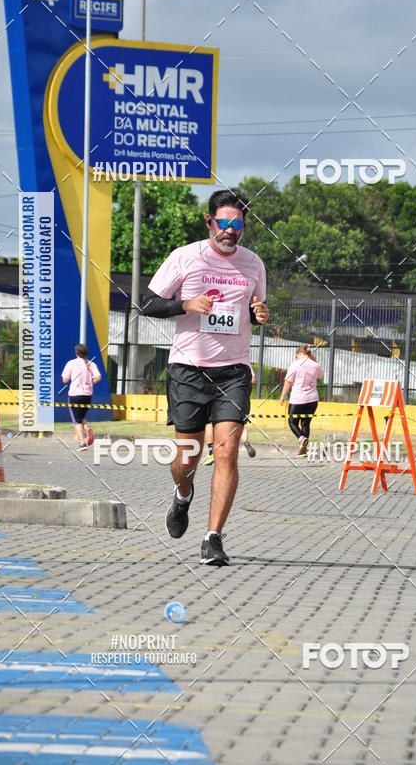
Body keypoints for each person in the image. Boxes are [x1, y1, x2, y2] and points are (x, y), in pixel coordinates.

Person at [145, 188, 269, 566]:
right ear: (209, 221)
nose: (230, 230)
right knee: (188, 457)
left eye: (237, 224)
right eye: (224, 223)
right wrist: (185, 304)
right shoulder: (184, 257)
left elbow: (253, 309)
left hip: (233, 371)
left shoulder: (253, 264)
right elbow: (147, 302)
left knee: (227, 450)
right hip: (188, 369)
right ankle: (183, 496)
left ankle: (213, 538)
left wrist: (262, 315)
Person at [203, 369, 257, 465]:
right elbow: (253, 380)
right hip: (238, 392)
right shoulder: (244, 362)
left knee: (209, 423)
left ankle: (211, 452)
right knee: (240, 422)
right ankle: (245, 441)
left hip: (217, 393)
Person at [280, 345, 324, 457]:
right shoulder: (315, 365)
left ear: (299, 354)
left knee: (292, 421)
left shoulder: (295, 364)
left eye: (297, 356)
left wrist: (283, 395)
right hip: (312, 399)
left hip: (297, 398)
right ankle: (304, 450)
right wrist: (313, 362)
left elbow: (288, 381)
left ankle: (301, 437)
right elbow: (320, 375)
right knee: (305, 423)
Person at [61, 343, 101, 451]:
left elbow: (65, 379)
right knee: (81, 415)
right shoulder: (91, 364)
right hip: (87, 394)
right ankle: (87, 428)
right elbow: (98, 377)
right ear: (86, 354)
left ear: (76, 353)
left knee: (76, 420)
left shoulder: (71, 363)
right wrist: (90, 382)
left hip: (75, 394)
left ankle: (82, 443)